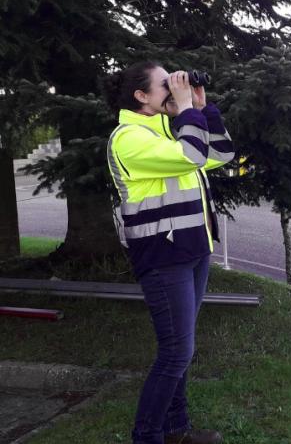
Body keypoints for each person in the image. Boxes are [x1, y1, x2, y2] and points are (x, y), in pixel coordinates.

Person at [101, 61, 234, 444]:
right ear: (141, 96)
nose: (175, 88)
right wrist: (188, 110)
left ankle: (177, 431)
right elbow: (192, 156)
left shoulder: (169, 136)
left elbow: (221, 155)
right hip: (162, 258)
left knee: (181, 350)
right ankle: (147, 437)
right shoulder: (128, 138)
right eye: (166, 85)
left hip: (192, 251)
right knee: (176, 352)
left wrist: (202, 106)